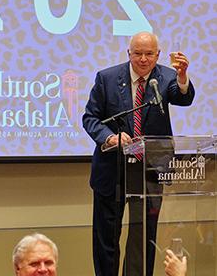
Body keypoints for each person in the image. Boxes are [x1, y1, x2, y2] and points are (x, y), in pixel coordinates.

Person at [82, 31, 195, 276]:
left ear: (158, 55)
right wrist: (110, 137)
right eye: (138, 54)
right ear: (128, 53)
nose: (143, 59)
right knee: (107, 239)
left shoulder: (166, 77)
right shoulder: (107, 78)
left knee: (143, 236)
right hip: (113, 170)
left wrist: (183, 77)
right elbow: (90, 118)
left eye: (149, 54)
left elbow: (182, 97)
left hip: (150, 171)